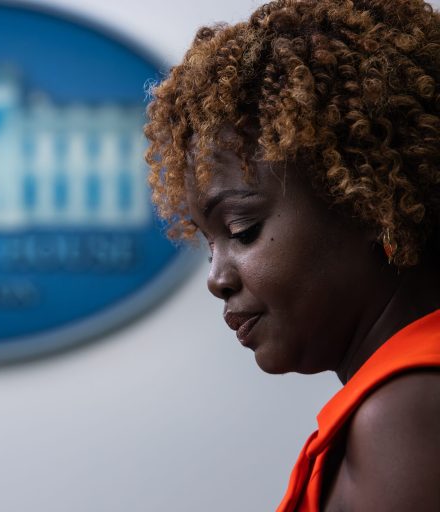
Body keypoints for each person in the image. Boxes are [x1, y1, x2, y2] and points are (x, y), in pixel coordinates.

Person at [144, 0, 440, 510]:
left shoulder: (407, 412)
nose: (217, 278)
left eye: (243, 228)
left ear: (366, 199)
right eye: (207, 241)